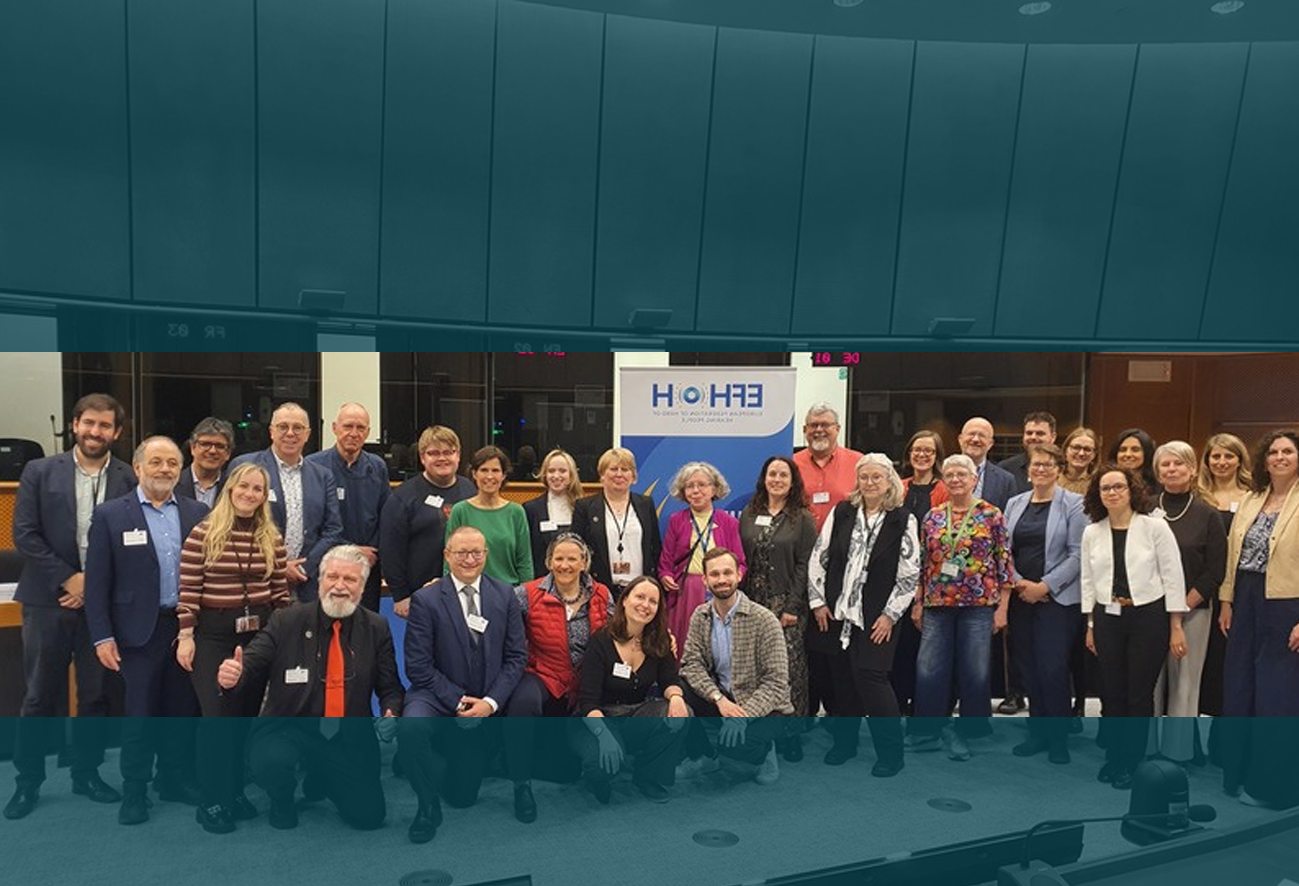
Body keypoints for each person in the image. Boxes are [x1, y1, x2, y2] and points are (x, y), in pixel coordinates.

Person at [6, 393, 133, 821]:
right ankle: (28, 782)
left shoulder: (126, 477)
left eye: (105, 426)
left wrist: (91, 586)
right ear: (75, 425)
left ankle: (86, 771)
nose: (95, 432)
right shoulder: (40, 471)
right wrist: (69, 578)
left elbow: (130, 543)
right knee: (40, 694)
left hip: (100, 606)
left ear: (117, 432)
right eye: (89, 424)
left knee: (96, 694)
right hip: (47, 599)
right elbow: (24, 534)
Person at [215, 546, 404, 832]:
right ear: (320, 580)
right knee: (272, 760)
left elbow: (390, 687)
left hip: (345, 733)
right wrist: (233, 675)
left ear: (363, 587)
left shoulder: (376, 627)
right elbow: (250, 663)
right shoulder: (286, 620)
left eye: (350, 580)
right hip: (291, 728)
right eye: (332, 577)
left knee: (369, 816)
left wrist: (391, 712)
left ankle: (323, 777)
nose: (339, 586)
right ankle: (282, 799)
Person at [84, 437, 207, 824]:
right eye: (156, 462)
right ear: (137, 468)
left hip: (184, 629)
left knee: (181, 710)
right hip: (136, 634)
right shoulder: (111, 515)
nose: (165, 469)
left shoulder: (197, 511)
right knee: (139, 714)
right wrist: (102, 635)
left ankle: (174, 778)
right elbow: (97, 582)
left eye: (172, 463)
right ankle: (135, 790)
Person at [177, 461, 290, 831]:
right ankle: (211, 800)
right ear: (230, 489)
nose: (249, 494)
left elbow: (279, 595)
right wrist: (186, 636)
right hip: (213, 637)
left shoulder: (271, 537)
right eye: (243, 487)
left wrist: (283, 639)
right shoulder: (203, 532)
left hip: (257, 638)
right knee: (217, 719)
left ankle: (234, 791)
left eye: (257, 489)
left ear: (264, 496)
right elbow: (189, 591)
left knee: (243, 718)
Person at [398, 526, 527, 844]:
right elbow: (417, 667)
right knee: (411, 727)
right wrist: (457, 701)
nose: (469, 559)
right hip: (435, 695)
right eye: (461, 553)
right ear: (447, 556)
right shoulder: (425, 599)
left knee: (463, 796)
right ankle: (426, 805)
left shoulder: (504, 595)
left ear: (486, 555)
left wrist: (490, 704)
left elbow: (516, 657)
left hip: (485, 698)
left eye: (476, 552)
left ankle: (434, 759)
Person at [807, 454, 920, 777]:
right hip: (838, 613)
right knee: (842, 682)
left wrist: (890, 615)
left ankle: (891, 753)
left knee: (873, 680)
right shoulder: (842, 512)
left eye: (877, 478)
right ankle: (845, 744)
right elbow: (820, 556)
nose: (870, 483)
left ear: (890, 482)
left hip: (878, 616)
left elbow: (909, 574)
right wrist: (817, 602)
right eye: (865, 477)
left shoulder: (903, 519)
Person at [1081, 465, 1188, 790]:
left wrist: (1176, 625)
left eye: (1118, 487)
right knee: (1112, 693)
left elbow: (1173, 576)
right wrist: (1089, 624)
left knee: (1138, 694)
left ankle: (1131, 759)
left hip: (1148, 617)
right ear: (1097, 495)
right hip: (1107, 617)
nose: (1112, 493)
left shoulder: (1154, 527)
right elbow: (1087, 580)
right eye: (1105, 488)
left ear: (1131, 490)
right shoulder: (1092, 531)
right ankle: (1114, 755)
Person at [504, 533, 615, 822]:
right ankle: (520, 784)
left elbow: (619, 634)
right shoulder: (527, 593)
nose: (565, 564)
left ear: (584, 563)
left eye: (572, 558)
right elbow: (498, 620)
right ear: (549, 561)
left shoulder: (601, 594)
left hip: (585, 683)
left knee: (566, 771)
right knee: (522, 702)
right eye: (559, 558)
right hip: (542, 673)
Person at [912, 454, 1012, 762]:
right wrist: (918, 602)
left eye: (962, 474)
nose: (955, 479)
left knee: (975, 669)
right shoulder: (932, 517)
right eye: (950, 474)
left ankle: (970, 732)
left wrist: (1003, 608)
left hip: (979, 605)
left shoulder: (991, 514)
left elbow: (1004, 562)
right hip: (937, 602)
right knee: (929, 668)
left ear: (973, 479)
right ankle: (927, 730)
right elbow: (923, 564)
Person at [1003, 444, 1087, 765]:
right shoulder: (1015, 503)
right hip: (1021, 597)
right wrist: (1020, 582)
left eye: (1049, 465)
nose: (1041, 470)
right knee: (1029, 667)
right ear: (1028, 469)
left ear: (1059, 469)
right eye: (1037, 465)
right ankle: (1037, 732)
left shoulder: (1074, 504)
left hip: (1057, 600)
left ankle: (1059, 738)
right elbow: (1003, 550)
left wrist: (1044, 586)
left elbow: (1078, 554)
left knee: (1053, 669)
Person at [679, 548, 792, 785]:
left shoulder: (764, 620)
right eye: (715, 574)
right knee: (678, 690)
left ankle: (765, 752)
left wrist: (744, 716)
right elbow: (691, 664)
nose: (722, 580)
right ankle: (705, 756)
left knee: (736, 745)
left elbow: (776, 682)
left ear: (739, 575)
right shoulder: (700, 615)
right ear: (705, 580)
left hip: (766, 707)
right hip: (724, 698)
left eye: (727, 572)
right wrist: (718, 698)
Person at [574, 576, 689, 805]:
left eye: (653, 601)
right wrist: (604, 736)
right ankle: (597, 775)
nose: (645, 605)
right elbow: (588, 701)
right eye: (639, 596)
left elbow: (669, 680)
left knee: (681, 713)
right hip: (596, 718)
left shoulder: (660, 640)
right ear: (624, 600)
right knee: (601, 764)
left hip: (635, 714)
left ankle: (648, 777)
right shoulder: (601, 640)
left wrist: (677, 698)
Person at [1148, 442, 1226, 764]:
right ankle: (1147, 749)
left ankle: (1177, 754)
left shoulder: (1207, 514)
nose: (1171, 470)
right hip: (1150, 611)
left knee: (1184, 684)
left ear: (1193, 469)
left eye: (1179, 464)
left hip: (1193, 612)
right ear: (1157, 470)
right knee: (1150, 681)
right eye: (1165, 464)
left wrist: (1181, 607)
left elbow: (1215, 570)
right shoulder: (1146, 508)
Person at [738, 455, 816, 759]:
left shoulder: (802, 517)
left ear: (793, 480)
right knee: (757, 670)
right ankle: (763, 729)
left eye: (784, 475)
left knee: (789, 671)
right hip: (752, 604)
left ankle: (791, 733)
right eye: (772, 474)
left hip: (786, 605)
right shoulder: (750, 512)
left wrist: (793, 607)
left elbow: (805, 565)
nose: (777, 480)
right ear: (764, 478)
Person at [1220, 430, 1299, 717]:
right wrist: (1227, 601)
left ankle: (1273, 760)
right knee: (1239, 679)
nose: (1280, 457)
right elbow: (1232, 553)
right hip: (1245, 596)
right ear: (1264, 461)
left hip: (1287, 602)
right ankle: (1239, 759)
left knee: (1277, 685)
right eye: (1273, 452)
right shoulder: (1252, 499)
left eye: (1287, 452)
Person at [231, 402, 342, 602]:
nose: (290, 433)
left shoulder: (323, 476)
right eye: (283, 427)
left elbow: (333, 529)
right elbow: (232, 525)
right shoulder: (245, 467)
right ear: (271, 432)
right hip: (258, 581)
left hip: (307, 582)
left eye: (298, 428)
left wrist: (303, 567)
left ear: (307, 434)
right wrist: (279, 566)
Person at [958, 416, 1023, 715]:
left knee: (980, 651)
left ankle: (978, 708)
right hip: (947, 580)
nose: (976, 439)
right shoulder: (949, 473)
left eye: (983, 435)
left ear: (991, 443)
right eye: (971, 433)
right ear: (960, 438)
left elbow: (1006, 536)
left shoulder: (1005, 479)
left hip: (986, 582)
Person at [379, 426, 470, 619]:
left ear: (458, 455)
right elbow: (391, 551)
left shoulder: (470, 490)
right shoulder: (402, 498)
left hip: (466, 594)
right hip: (420, 597)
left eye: (448, 452)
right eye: (433, 453)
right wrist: (401, 595)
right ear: (422, 458)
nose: (442, 458)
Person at [660, 461, 746, 661]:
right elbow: (665, 562)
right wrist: (665, 576)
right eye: (690, 486)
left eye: (702, 485)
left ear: (714, 489)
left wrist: (730, 582)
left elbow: (740, 563)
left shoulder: (729, 522)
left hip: (719, 590)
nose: (696, 490)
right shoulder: (676, 520)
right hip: (685, 590)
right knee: (684, 642)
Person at [307, 403, 389, 611]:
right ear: (334, 428)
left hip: (368, 565)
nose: (354, 433)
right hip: (327, 566)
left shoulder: (377, 467)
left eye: (360, 428)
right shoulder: (313, 466)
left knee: (365, 628)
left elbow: (386, 515)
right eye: (348, 426)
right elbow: (313, 521)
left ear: (368, 432)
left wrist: (371, 553)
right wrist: (350, 551)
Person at [1197, 432, 1253, 720]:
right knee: (1199, 665)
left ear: (1240, 460)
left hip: (1236, 591)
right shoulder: (1197, 496)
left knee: (1229, 662)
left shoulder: (1254, 497)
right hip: (1200, 590)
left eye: (1228, 455)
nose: (1221, 462)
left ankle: (1224, 737)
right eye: (1215, 456)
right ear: (1206, 460)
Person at [896, 430, 948, 715]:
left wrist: (922, 589)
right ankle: (899, 701)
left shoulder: (943, 490)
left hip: (929, 579)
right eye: (917, 449)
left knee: (924, 647)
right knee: (899, 645)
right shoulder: (899, 486)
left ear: (937, 456)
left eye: (929, 450)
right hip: (896, 579)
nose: (922, 455)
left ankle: (922, 706)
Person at [571, 447, 662, 595]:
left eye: (625, 469)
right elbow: (577, 550)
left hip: (640, 588)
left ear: (633, 476)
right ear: (602, 475)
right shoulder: (585, 507)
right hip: (600, 590)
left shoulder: (646, 504)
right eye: (613, 469)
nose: (619, 474)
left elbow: (655, 547)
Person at [446, 446, 533, 586]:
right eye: (484, 470)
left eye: (495, 470)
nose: (490, 476)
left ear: (504, 475)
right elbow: (449, 560)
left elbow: (524, 562)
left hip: (509, 593)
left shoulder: (516, 512)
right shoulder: (460, 511)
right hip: (469, 593)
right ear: (474, 474)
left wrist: (527, 596)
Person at [792, 403, 863, 531]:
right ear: (804, 430)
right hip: (801, 544)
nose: (819, 430)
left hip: (843, 542)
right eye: (813, 425)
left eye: (825, 425)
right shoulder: (791, 464)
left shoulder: (859, 463)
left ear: (837, 428)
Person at [523, 448, 584, 580]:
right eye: (551, 471)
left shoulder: (583, 508)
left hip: (577, 583)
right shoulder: (531, 509)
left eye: (562, 471)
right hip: (542, 583)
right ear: (544, 474)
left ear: (571, 475)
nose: (556, 476)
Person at [176, 417, 233, 508]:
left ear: (228, 454)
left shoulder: (233, 487)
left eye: (220, 446)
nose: (212, 451)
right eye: (205, 444)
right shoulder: (173, 484)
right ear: (192, 448)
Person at [1000, 412, 1058, 496]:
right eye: (1029, 433)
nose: (1033, 437)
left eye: (1040, 433)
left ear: (1053, 437)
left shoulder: (1064, 468)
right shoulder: (1005, 469)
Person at [1109, 428, 1158, 493]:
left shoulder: (1158, 486)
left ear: (1146, 453)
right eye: (1123, 450)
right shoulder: (1103, 483)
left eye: (1135, 450)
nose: (1128, 454)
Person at [1059, 427, 1101, 495]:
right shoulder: (1051, 479)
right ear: (1065, 450)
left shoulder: (1098, 485)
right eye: (1076, 447)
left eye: (1087, 449)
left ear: (1094, 455)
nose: (1081, 453)